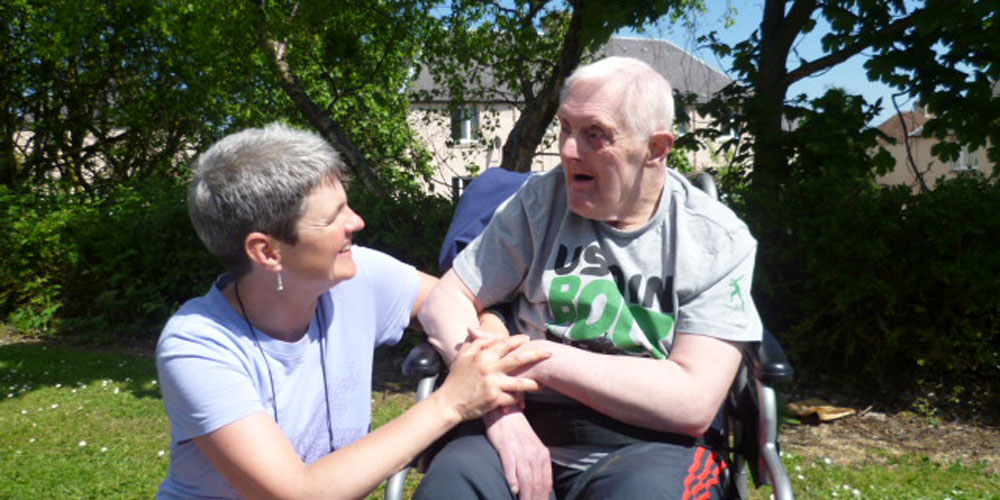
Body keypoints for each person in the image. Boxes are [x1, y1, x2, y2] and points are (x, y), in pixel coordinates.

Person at [415, 56, 764, 500]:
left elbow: (692, 402)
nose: (567, 151)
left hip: (652, 445)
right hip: (518, 422)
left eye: (594, 134)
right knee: (450, 489)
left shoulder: (714, 240)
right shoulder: (537, 203)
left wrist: (540, 358)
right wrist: (501, 416)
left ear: (656, 149)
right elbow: (445, 301)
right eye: (565, 127)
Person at [155, 123, 549, 500]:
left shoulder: (356, 277)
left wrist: (493, 340)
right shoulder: (197, 345)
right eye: (332, 218)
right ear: (267, 252)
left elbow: (460, 299)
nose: (356, 222)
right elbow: (297, 492)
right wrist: (451, 403)